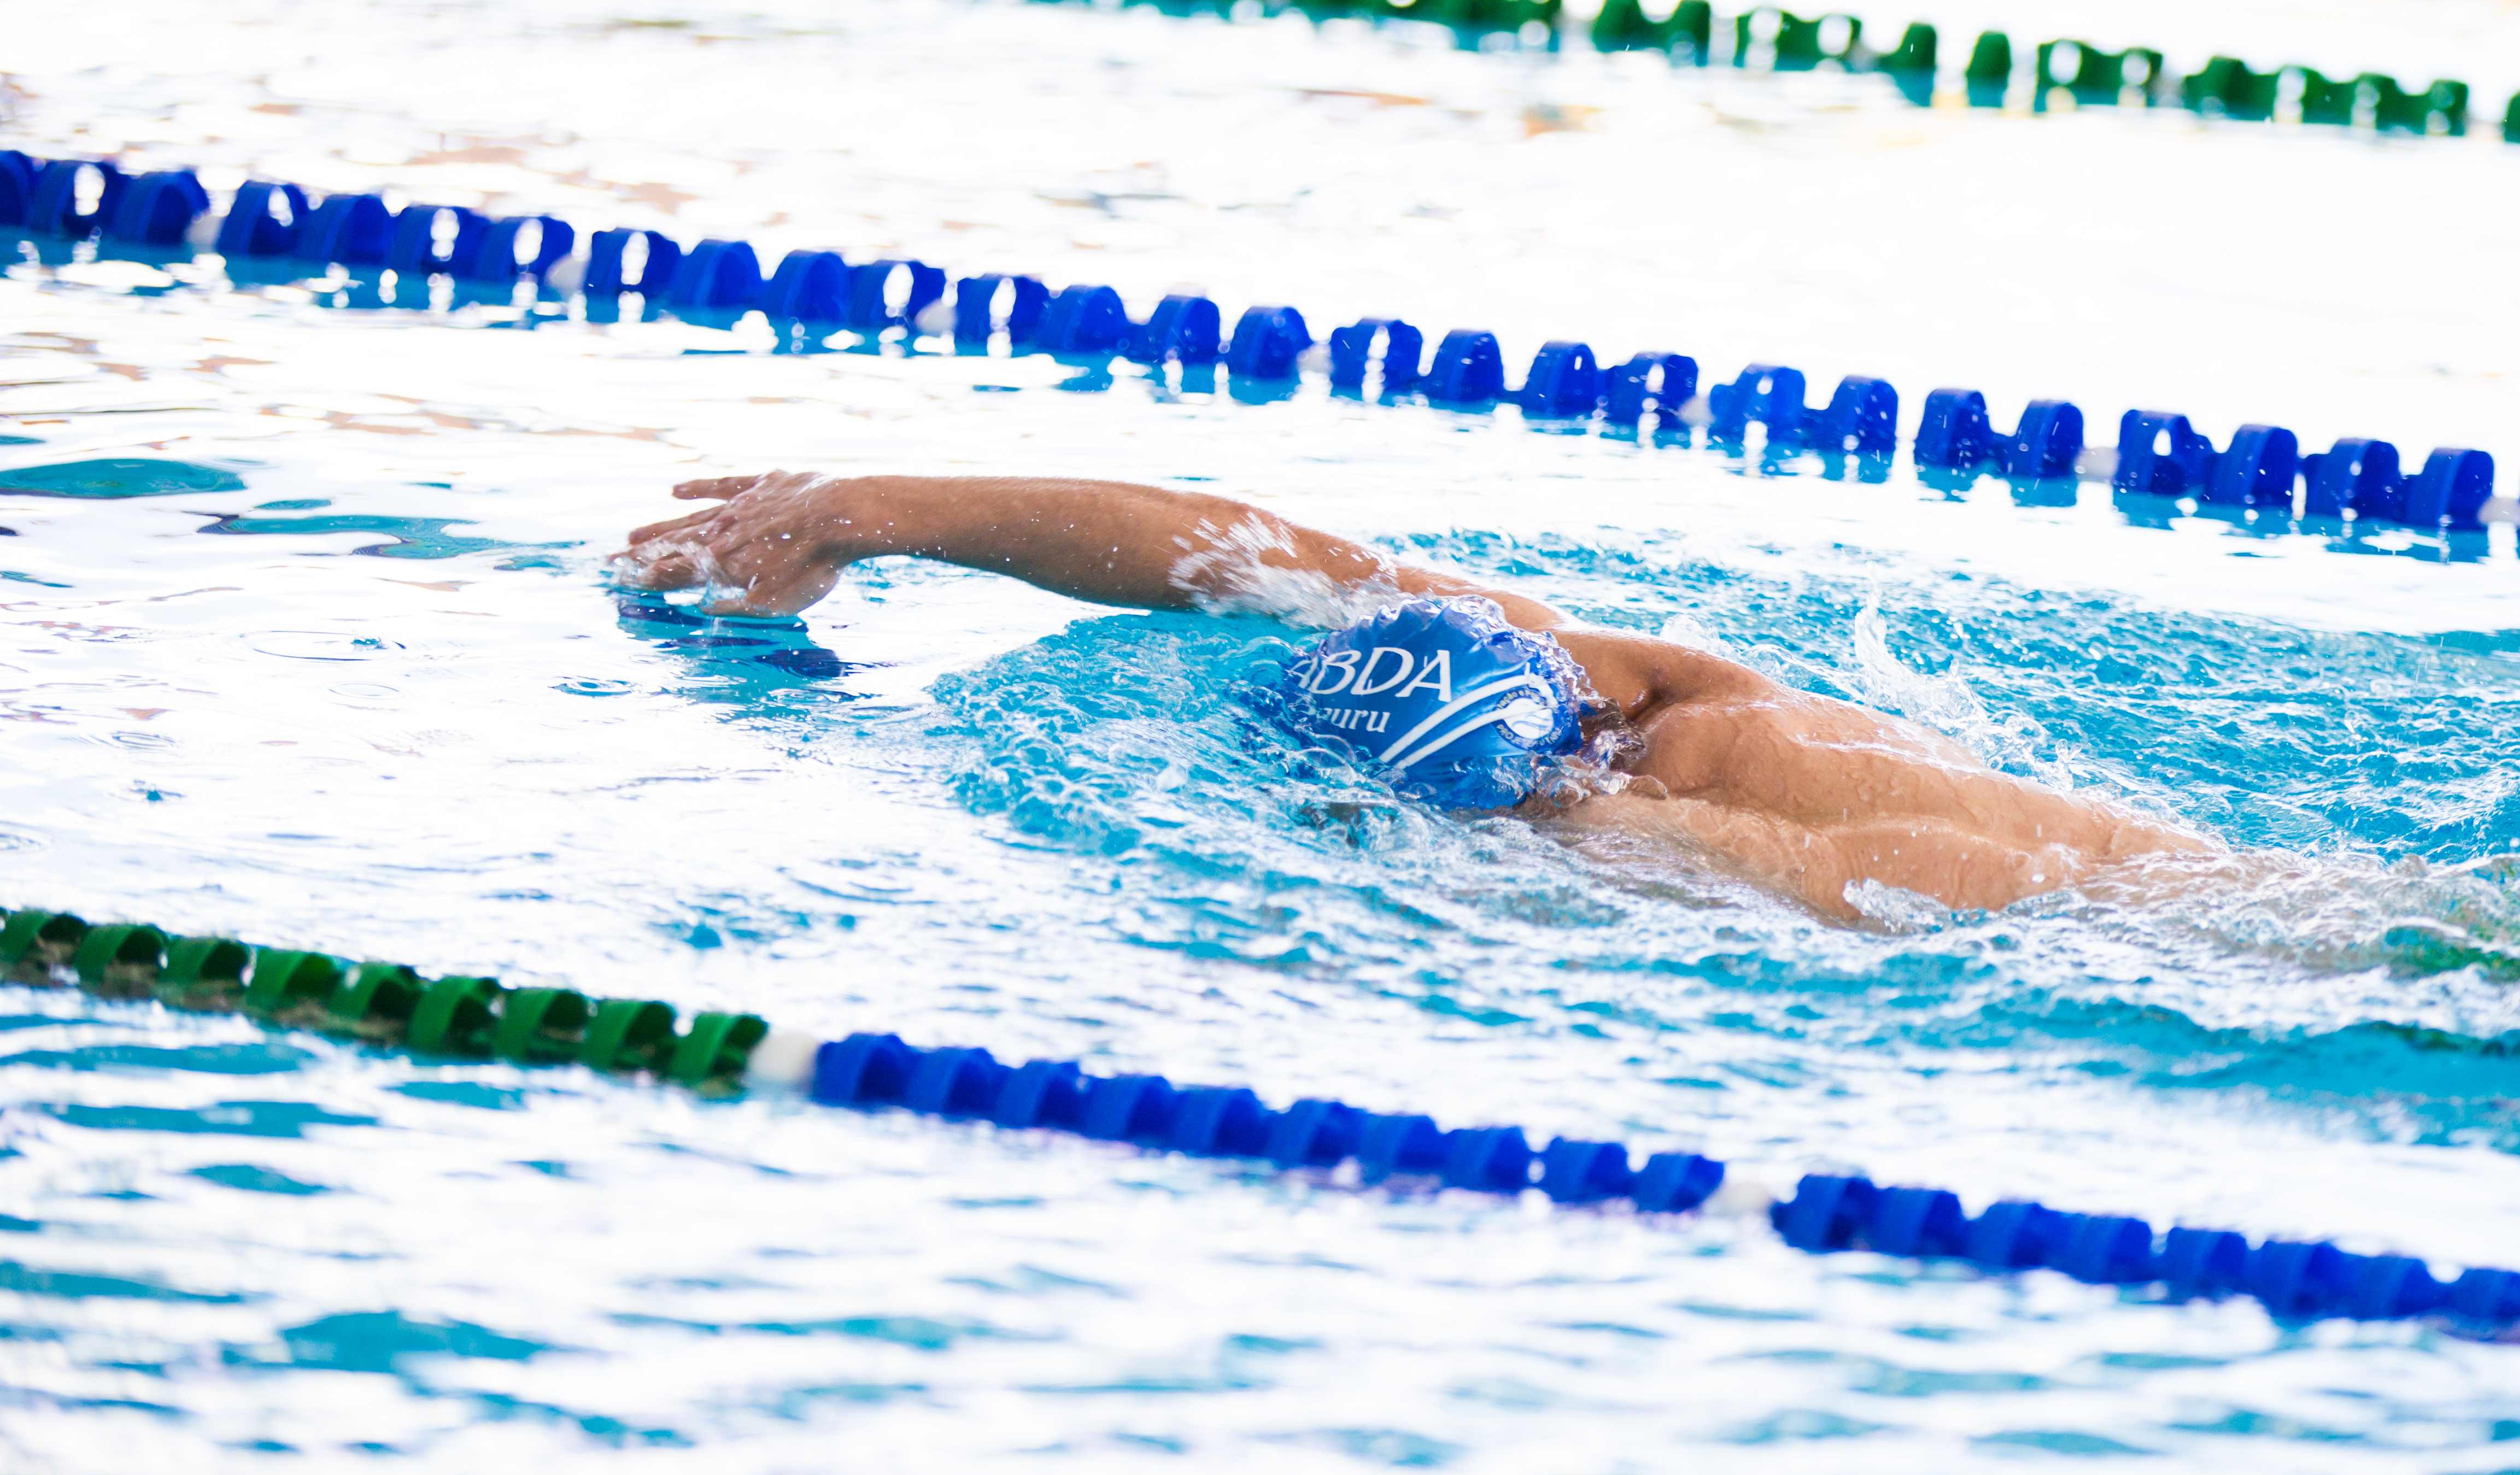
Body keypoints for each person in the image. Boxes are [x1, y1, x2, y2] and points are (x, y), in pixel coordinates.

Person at [612, 471, 2214, 920]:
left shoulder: (1631, 816)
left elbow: (1231, 561)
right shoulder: (1648, 685)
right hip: (2150, 875)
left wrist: (884, 513)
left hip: (2046, 909)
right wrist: (892, 509)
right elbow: (1244, 551)